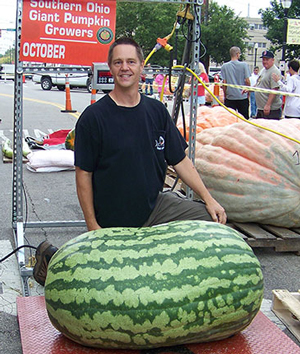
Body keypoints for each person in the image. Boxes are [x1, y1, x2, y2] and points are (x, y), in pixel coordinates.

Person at [33, 37, 226, 286]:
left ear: (141, 67)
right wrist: (93, 226)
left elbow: (180, 161)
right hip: (113, 220)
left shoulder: (156, 112)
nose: (125, 67)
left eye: (131, 61)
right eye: (118, 62)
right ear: (110, 68)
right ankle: (51, 260)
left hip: (154, 209)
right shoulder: (94, 118)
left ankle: (182, 281)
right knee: (103, 285)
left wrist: (209, 199)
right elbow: (83, 175)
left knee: (213, 223)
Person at [221, 46, 251, 119]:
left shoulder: (224, 66)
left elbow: (224, 83)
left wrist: (225, 95)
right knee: (244, 120)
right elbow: (247, 81)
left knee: (229, 119)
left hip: (230, 97)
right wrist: (248, 94)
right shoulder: (244, 65)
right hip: (242, 96)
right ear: (238, 54)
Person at [254, 50, 282, 119]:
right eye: (263, 59)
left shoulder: (274, 71)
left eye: (267, 59)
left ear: (272, 60)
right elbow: (259, 83)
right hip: (261, 107)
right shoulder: (263, 70)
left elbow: (274, 89)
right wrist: (249, 89)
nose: (264, 62)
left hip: (271, 109)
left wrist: (268, 105)